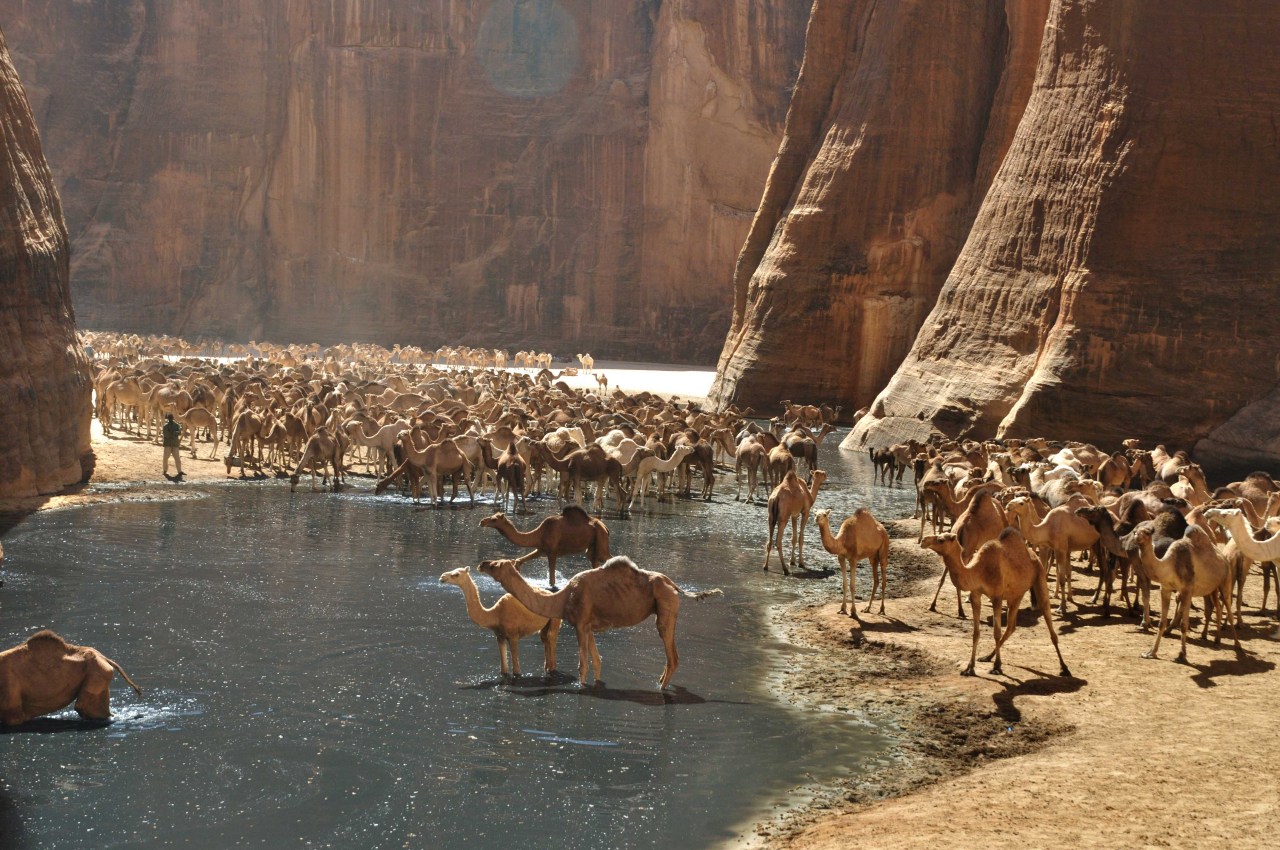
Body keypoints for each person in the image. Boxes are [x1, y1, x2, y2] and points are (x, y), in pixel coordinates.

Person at [162, 413, 183, 479]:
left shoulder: (174, 425)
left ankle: (179, 471)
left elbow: (179, 432)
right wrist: (174, 433)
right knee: (167, 458)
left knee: (176, 459)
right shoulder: (167, 426)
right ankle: (165, 470)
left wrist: (173, 433)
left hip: (172, 444)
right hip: (171, 444)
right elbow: (166, 434)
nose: (170, 419)